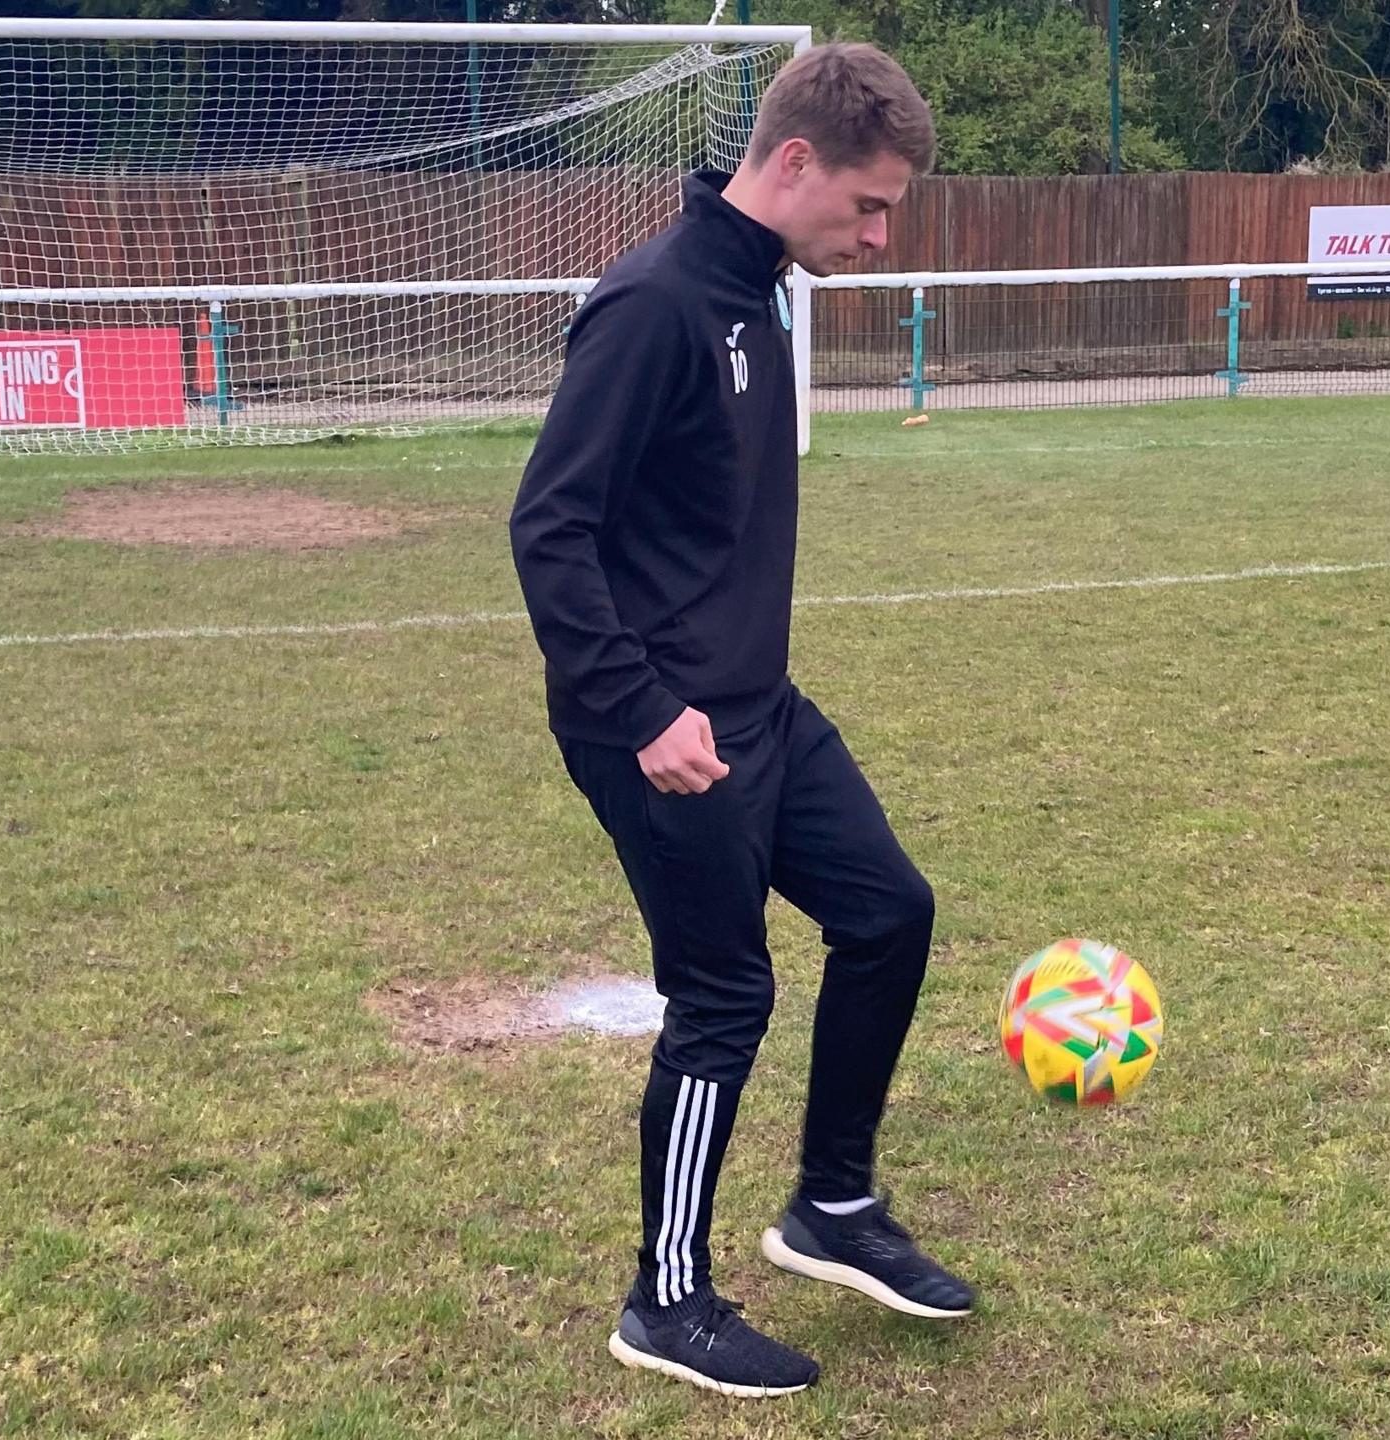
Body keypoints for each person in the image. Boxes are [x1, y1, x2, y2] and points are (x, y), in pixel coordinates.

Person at [508, 42, 972, 1399]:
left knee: (891, 913)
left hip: (762, 708)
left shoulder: (758, 296)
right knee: (725, 994)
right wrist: (644, 711)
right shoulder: (652, 306)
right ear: (793, 165)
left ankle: (830, 1206)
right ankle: (666, 1300)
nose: (879, 236)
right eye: (870, 206)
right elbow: (550, 526)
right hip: (655, 726)